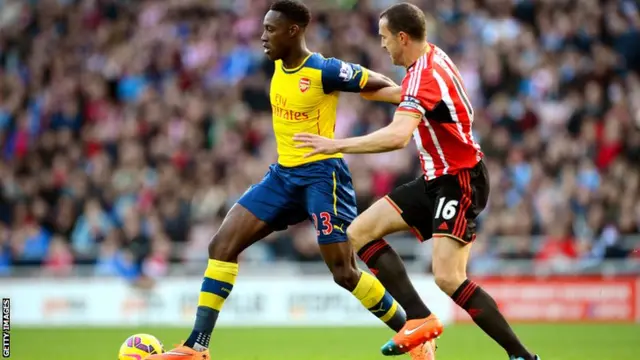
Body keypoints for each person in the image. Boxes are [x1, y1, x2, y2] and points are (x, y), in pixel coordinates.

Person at [149, 1, 435, 359]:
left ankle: (416, 337)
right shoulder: (279, 68)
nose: (263, 37)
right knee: (221, 245)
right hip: (284, 175)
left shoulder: (322, 69)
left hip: (323, 177)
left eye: (270, 30)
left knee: (344, 273)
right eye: (264, 29)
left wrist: (411, 100)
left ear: (293, 31)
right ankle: (197, 346)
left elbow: (380, 83)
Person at [294, 3, 541, 360]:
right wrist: (343, 83)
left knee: (448, 278)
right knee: (360, 231)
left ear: (402, 37)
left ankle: (522, 357)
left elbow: (397, 136)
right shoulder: (427, 60)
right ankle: (419, 318)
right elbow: (399, 92)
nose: (382, 45)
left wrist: (334, 145)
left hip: (459, 180)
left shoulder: (425, 75)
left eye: (384, 38)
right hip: (435, 178)